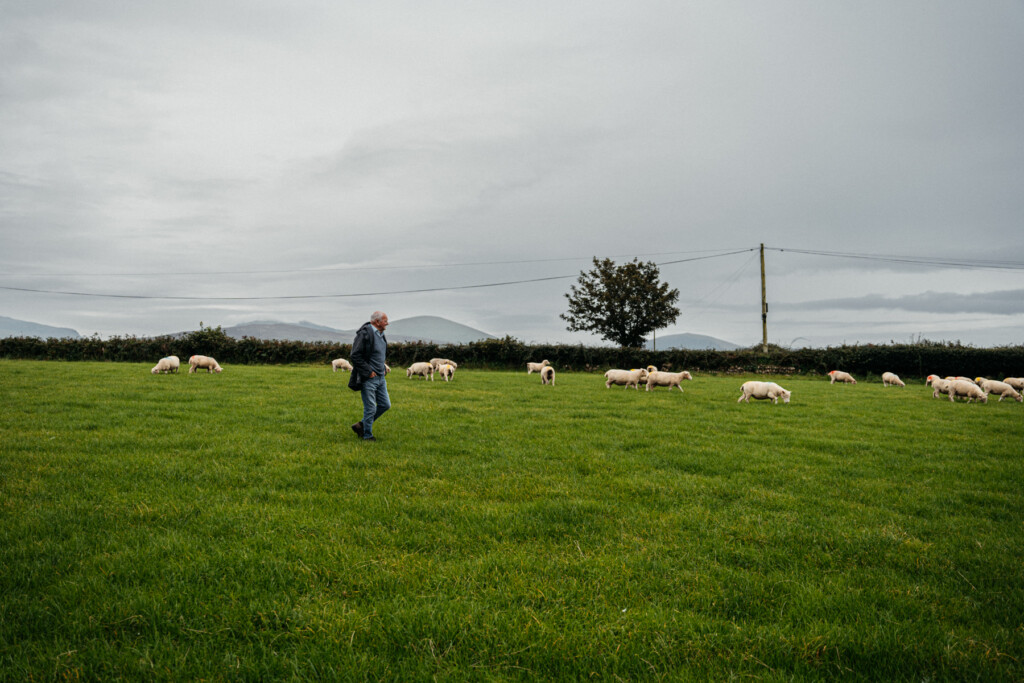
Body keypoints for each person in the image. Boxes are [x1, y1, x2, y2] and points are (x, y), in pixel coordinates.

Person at [348, 310, 390, 442]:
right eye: (385, 321)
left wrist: (382, 367)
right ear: (377, 322)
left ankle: (361, 425)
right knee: (370, 407)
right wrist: (368, 371)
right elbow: (355, 355)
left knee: (385, 405)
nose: (387, 323)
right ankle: (367, 436)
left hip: (381, 377)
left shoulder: (381, 334)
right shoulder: (365, 334)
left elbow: (378, 355)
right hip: (369, 378)